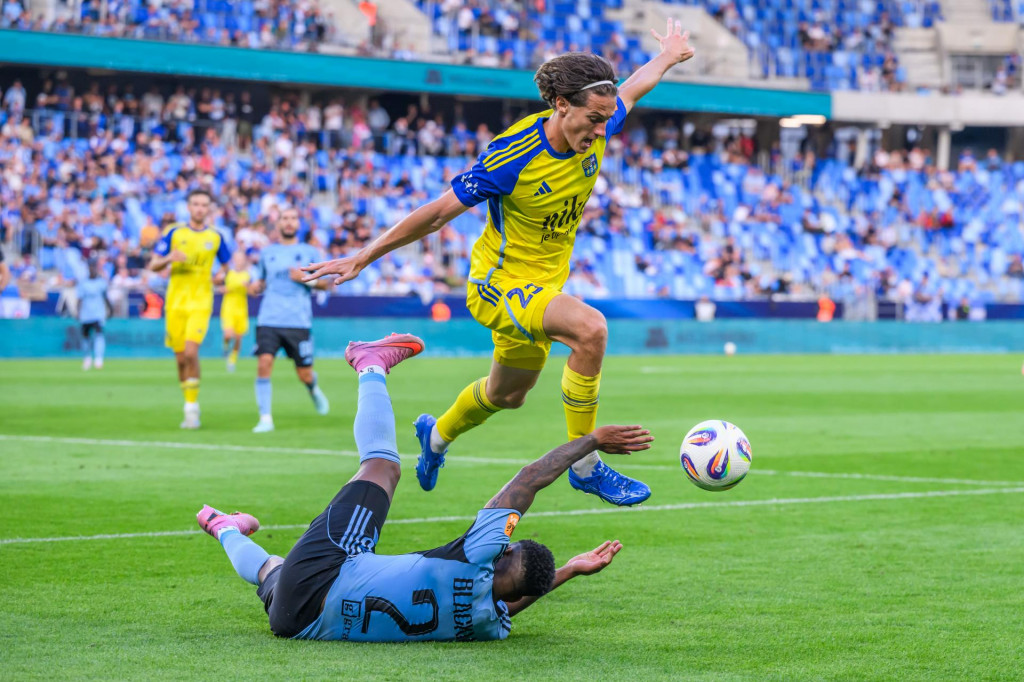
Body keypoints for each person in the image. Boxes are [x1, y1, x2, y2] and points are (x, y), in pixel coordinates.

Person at [302, 20, 694, 506]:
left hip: (544, 285)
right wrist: (363, 256)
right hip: (499, 284)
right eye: (594, 118)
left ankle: (437, 437)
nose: (602, 129)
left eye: (606, 119)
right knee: (591, 330)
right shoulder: (513, 154)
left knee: (507, 395)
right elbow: (438, 213)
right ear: (560, 104)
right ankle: (586, 464)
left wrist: (669, 56)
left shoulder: (600, 118)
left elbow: (634, 89)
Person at [196, 333, 651, 641]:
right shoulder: (485, 624)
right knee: (271, 567)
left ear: (507, 551)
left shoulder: (480, 554)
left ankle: (369, 364)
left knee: (382, 469)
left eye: (508, 547)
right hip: (297, 624)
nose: (503, 544)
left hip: (326, 576)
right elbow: (510, 605)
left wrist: (590, 441)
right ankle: (223, 527)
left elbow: (528, 479)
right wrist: (567, 571)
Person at [147, 189, 232, 429]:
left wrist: (219, 277)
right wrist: (169, 258)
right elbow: (153, 264)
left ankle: (192, 409)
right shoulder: (174, 232)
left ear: (209, 209)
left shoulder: (215, 237)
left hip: (201, 302)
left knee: (191, 352)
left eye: (204, 205)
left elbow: (227, 266)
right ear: (188, 207)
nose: (199, 208)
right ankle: (189, 402)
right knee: (180, 358)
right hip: (175, 303)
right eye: (195, 204)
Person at [249, 207, 332, 433]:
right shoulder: (267, 253)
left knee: (304, 373)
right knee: (264, 363)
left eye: (293, 218)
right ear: (278, 224)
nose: (288, 222)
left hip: (298, 320)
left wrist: (307, 280)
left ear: (299, 224)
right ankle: (265, 418)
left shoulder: (310, 252)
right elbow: (260, 281)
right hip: (269, 318)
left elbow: (328, 283)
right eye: (285, 218)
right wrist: (255, 286)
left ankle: (313, 389)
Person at [219, 250, 251, 373]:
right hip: (228, 307)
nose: (239, 261)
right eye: (237, 259)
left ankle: (232, 360)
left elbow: (252, 291)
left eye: (241, 259)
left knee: (238, 338)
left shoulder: (247, 275)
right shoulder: (228, 273)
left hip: (242, 308)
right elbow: (217, 283)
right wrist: (223, 288)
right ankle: (226, 347)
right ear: (233, 260)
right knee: (228, 334)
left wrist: (247, 287)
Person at [76, 261, 112, 370]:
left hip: (98, 314)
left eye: (94, 267)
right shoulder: (83, 283)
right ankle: (87, 358)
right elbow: (79, 299)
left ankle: (98, 359)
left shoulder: (102, 282)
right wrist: (78, 312)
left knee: (99, 334)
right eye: (90, 267)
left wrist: (110, 309)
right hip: (86, 314)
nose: (92, 269)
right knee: (86, 337)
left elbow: (106, 298)